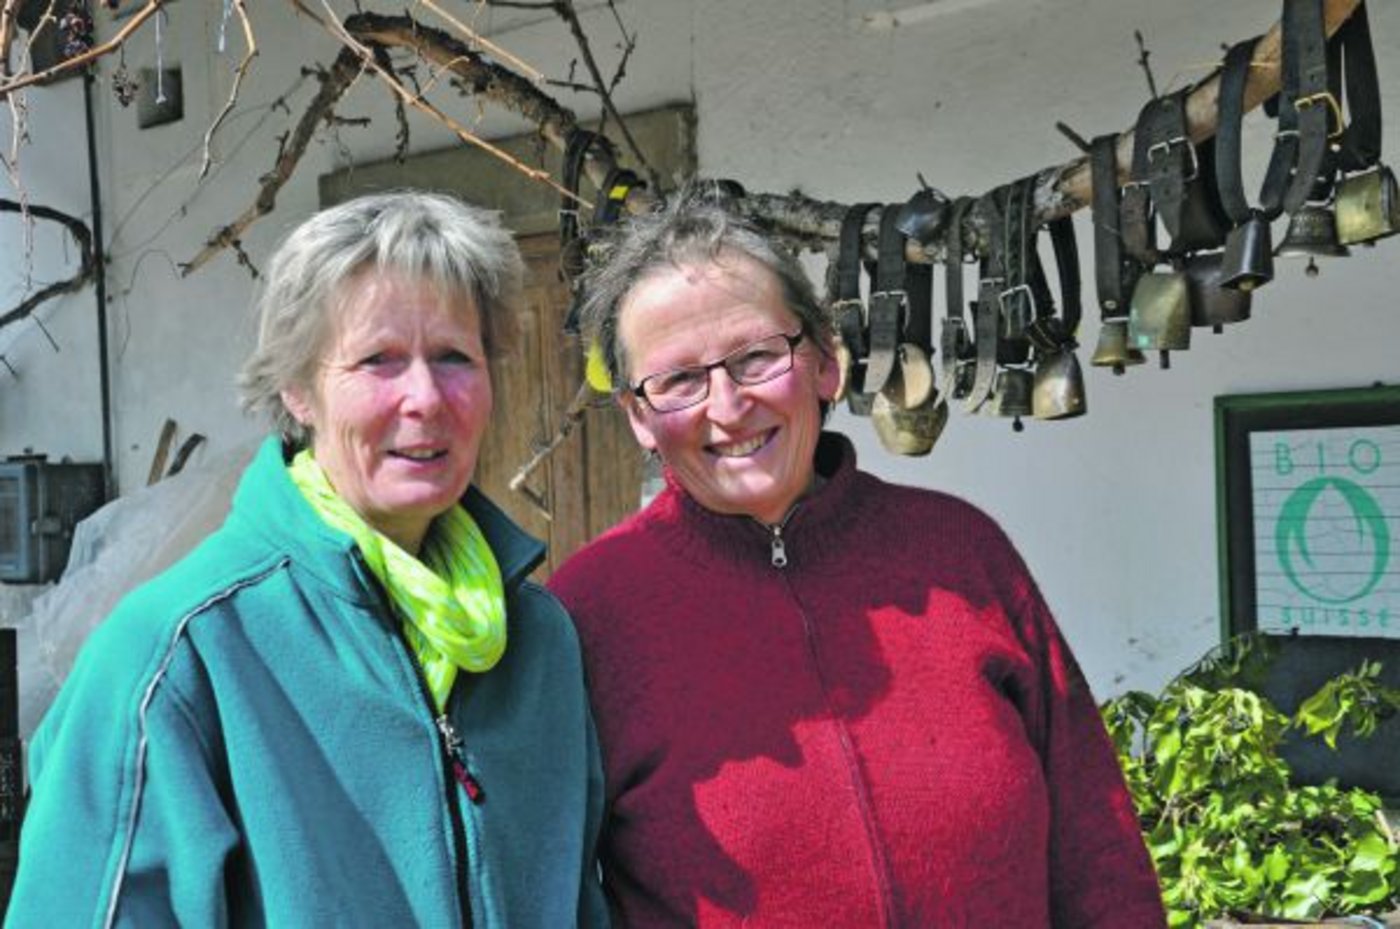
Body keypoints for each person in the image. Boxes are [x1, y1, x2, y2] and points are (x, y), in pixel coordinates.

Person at [547, 189, 1167, 927]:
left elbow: (1098, 852)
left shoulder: (961, 554)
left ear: (825, 365)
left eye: (754, 356)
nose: (727, 405)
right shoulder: (589, 613)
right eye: (679, 379)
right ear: (639, 417)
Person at [6, 192, 609, 928]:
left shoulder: (538, 640)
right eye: (378, 360)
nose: (425, 396)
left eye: (455, 356)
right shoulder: (176, 654)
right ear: (298, 389)